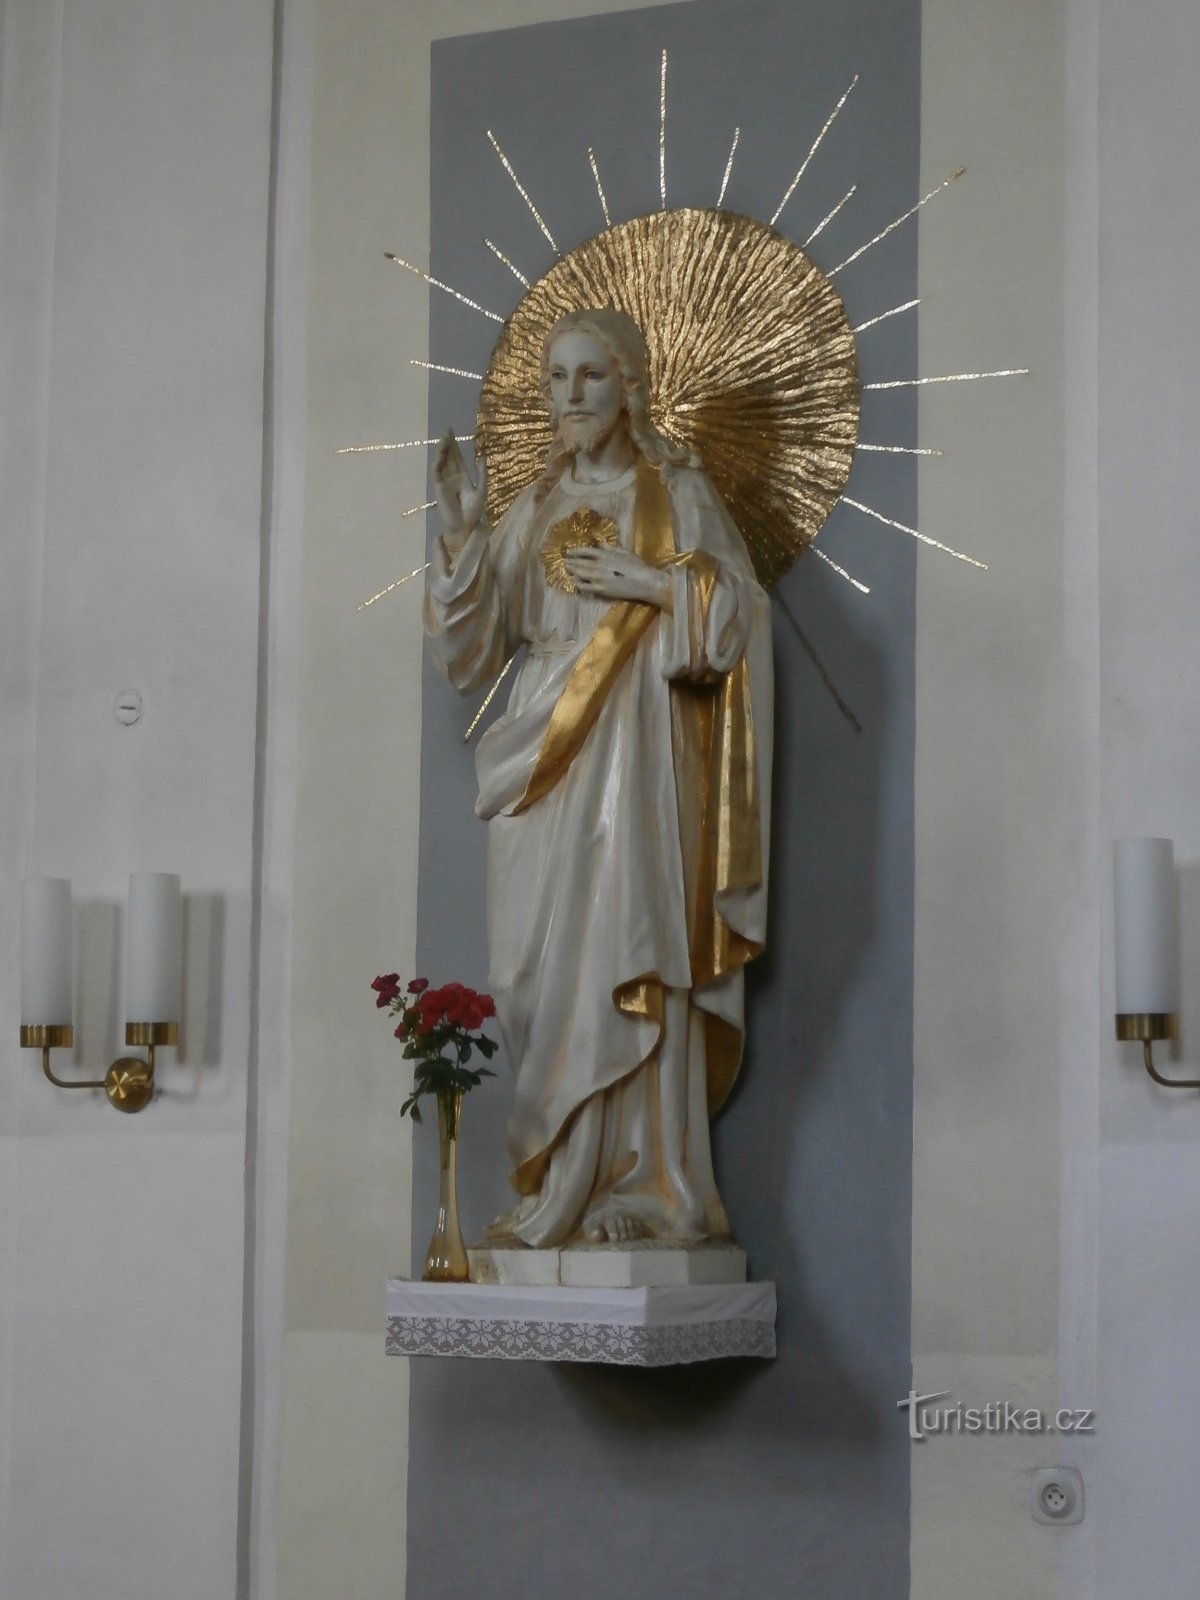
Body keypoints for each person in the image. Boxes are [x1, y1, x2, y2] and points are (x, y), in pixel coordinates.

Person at [424, 308, 772, 1249]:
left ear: (631, 387)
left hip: (639, 747)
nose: (570, 395)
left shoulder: (676, 494)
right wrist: (461, 537)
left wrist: (652, 583)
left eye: (590, 376)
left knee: (628, 946)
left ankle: (644, 1184)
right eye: (556, 379)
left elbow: (741, 619)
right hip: (541, 748)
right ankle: (556, 1177)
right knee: (526, 973)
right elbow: (470, 652)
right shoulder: (535, 504)